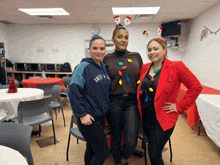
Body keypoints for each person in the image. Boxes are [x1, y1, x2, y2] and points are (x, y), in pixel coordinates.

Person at [137, 38, 203, 165]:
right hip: (146, 116)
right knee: (151, 148)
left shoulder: (176, 66)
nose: (152, 52)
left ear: (164, 50)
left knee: (154, 153)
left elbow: (196, 87)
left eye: (156, 49)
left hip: (163, 117)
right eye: (149, 50)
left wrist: (180, 106)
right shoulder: (145, 68)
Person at [102, 24, 143, 165]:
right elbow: (102, 81)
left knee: (131, 138)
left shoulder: (136, 56)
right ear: (113, 39)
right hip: (114, 102)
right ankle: (118, 161)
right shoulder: (106, 59)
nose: (123, 40)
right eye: (120, 37)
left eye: (126, 37)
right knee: (116, 135)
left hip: (132, 101)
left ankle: (125, 155)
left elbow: (143, 77)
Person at [68, 35, 111, 165]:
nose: (99, 51)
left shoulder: (103, 67)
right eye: (95, 48)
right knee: (103, 152)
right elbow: (73, 91)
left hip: (100, 116)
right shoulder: (83, 67)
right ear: (89, 49)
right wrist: (82, 114)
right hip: (88, 118)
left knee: (92, 149)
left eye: (102, 48)